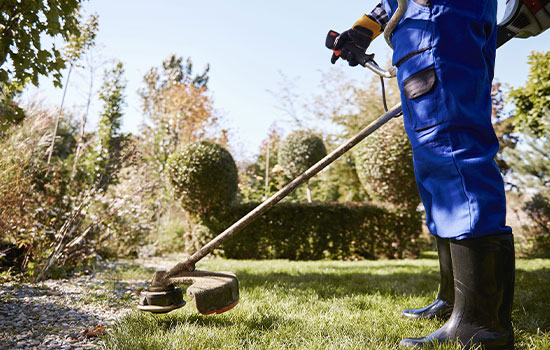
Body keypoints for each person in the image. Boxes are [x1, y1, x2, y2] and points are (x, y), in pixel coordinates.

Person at [330, 1, 515, 349]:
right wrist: (362, 30)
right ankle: (455, 300)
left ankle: (481, 323)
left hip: (438, 16)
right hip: (423, 22)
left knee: (451, 148)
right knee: (434, 163)